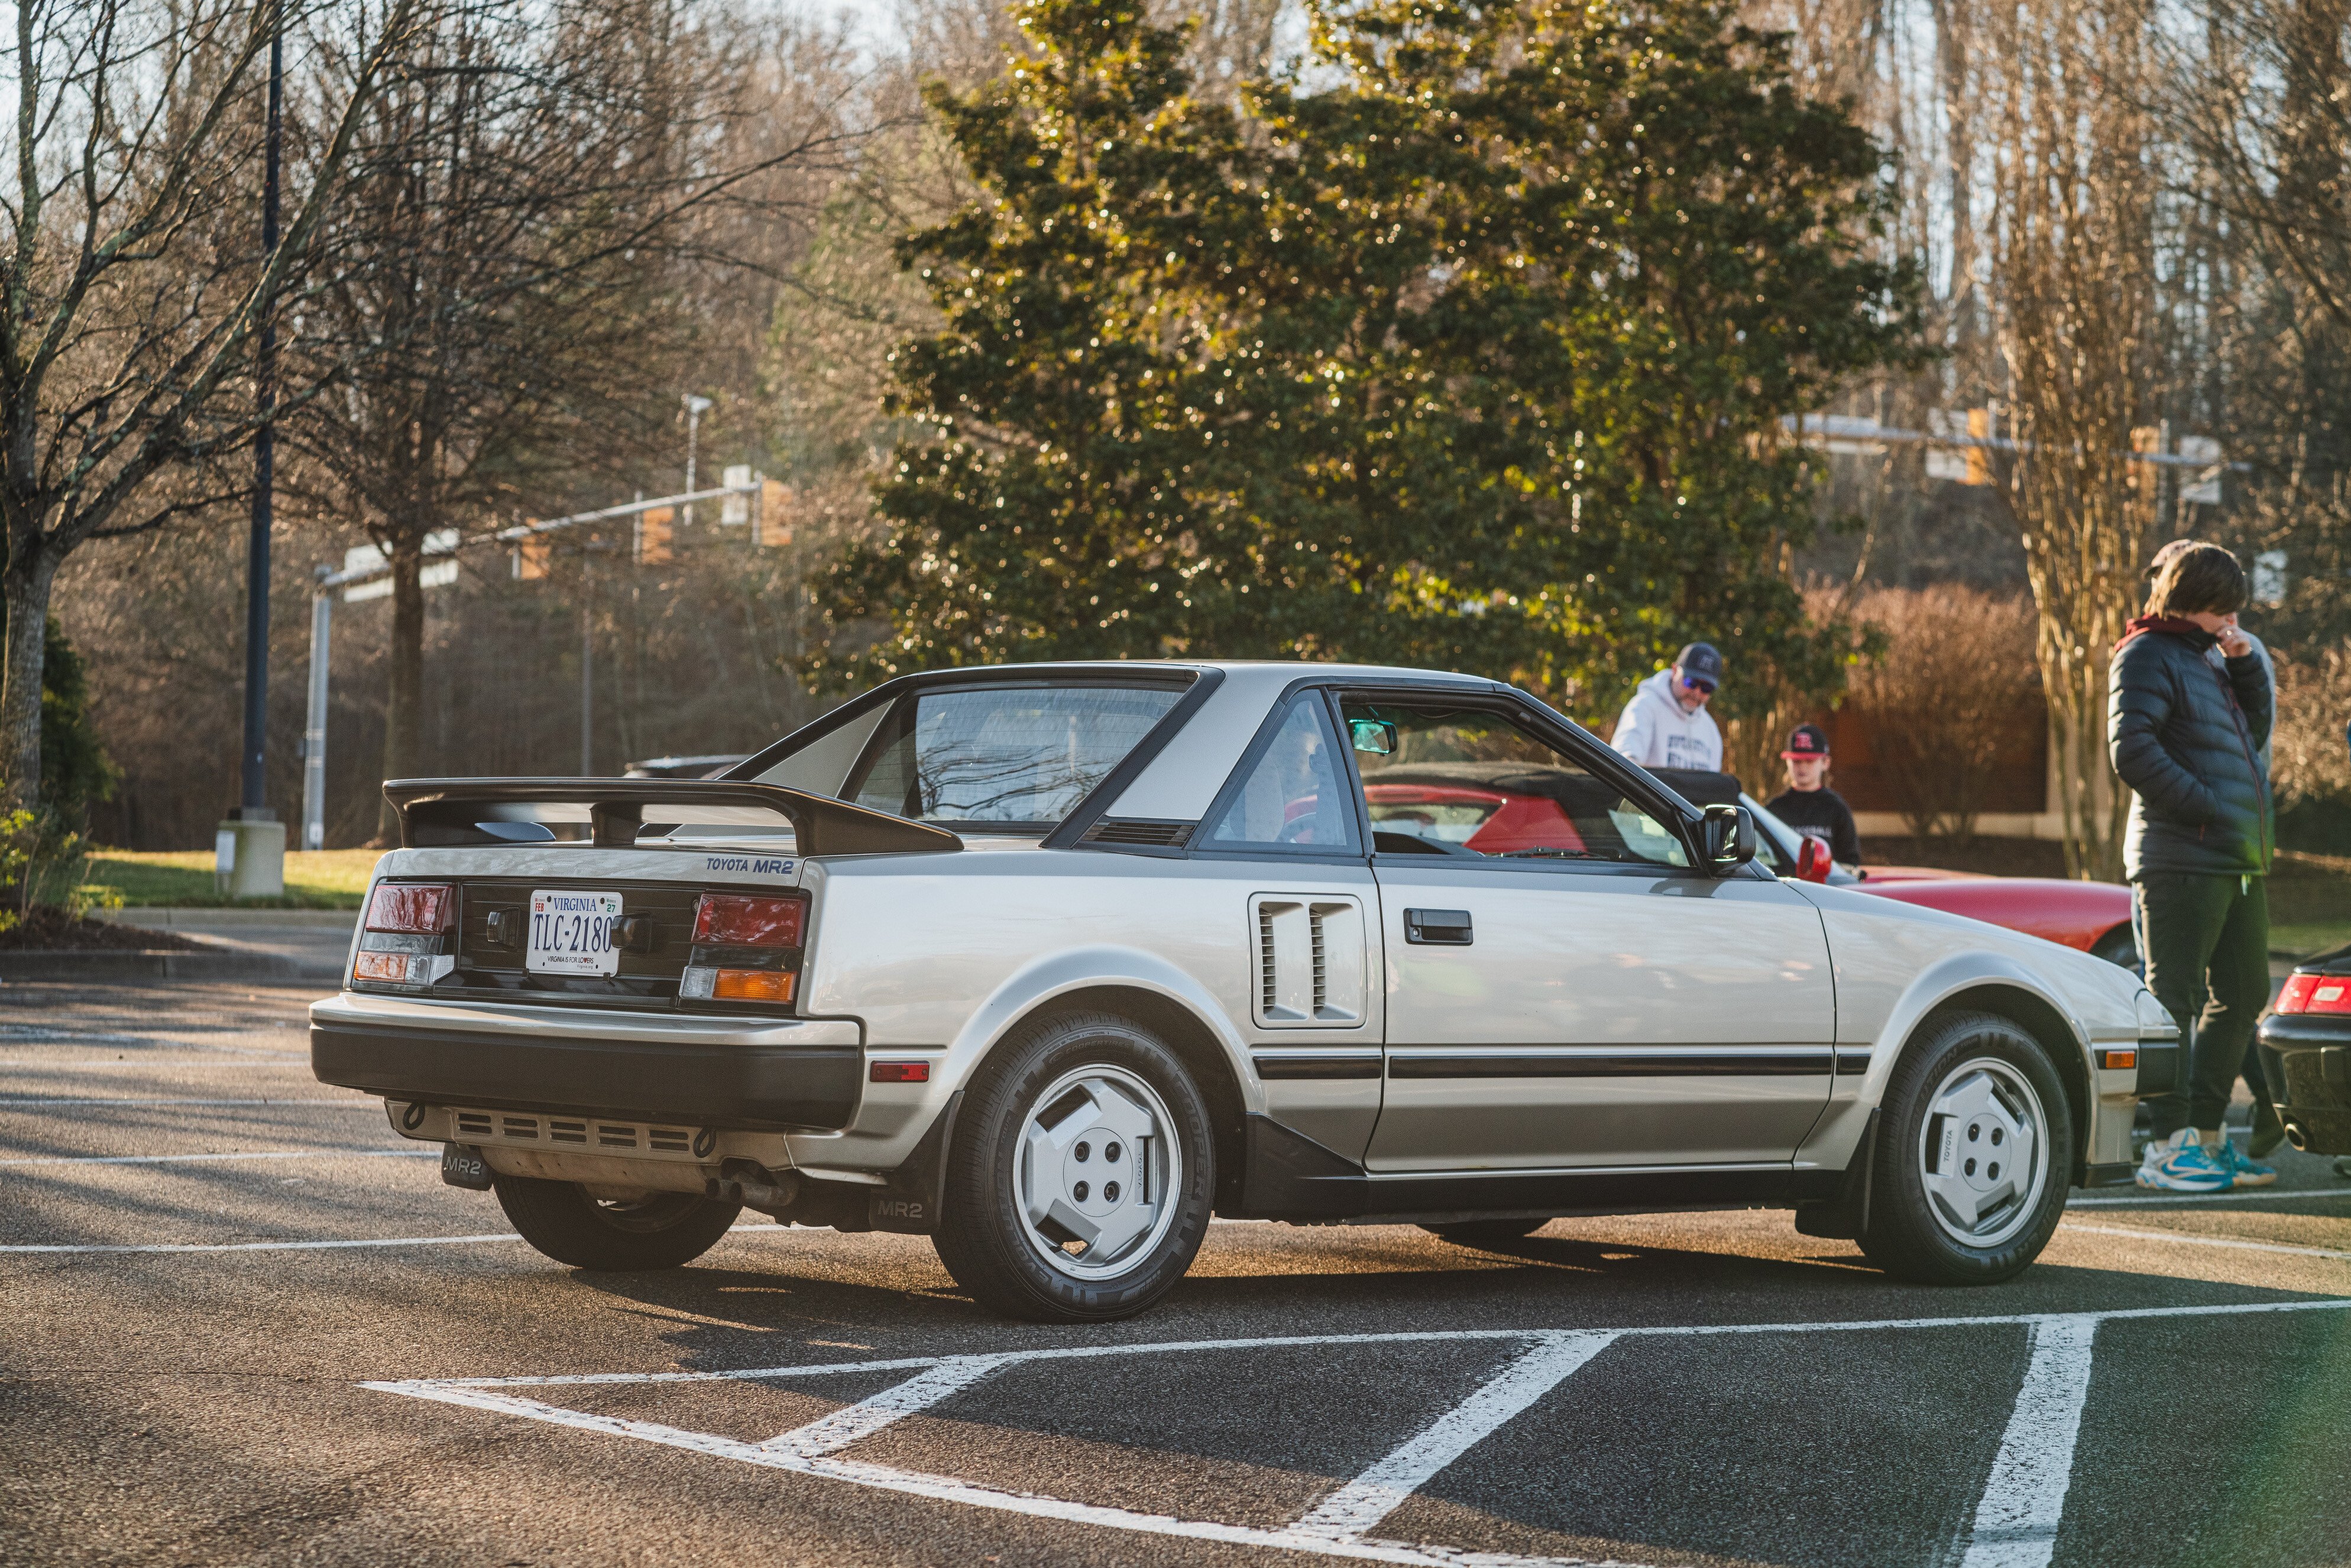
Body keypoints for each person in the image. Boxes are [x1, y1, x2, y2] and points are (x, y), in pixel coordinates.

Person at [2112, 543, 2275, 1192]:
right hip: (2180, 856)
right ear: (2194, 600)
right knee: (2172, 1001)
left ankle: (2207, 1139)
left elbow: (2250, 736)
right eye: (2222, 608)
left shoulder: (2208, 658)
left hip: (2234, 859)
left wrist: (2244, 672)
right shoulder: (2146, 653)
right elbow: (2132, 750)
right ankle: (2166, 1148)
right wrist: (2205, 807)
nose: (2230, 620)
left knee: (2243, 996)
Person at [1612, 642, 1725, 773]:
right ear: (1675, 671)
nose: (1697, 693)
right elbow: (1625, 762)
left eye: (1706, 688)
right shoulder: (1644, 707)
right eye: (1691, 682)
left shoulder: (1710, 729)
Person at [1766, 723, 1863, 866]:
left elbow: (1850, 862)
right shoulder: (1774, 809)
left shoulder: (1836, 808)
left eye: (1810, 761)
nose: (1802, 767)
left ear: (1826, 763)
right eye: (1796, 760)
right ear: (1787, 762)